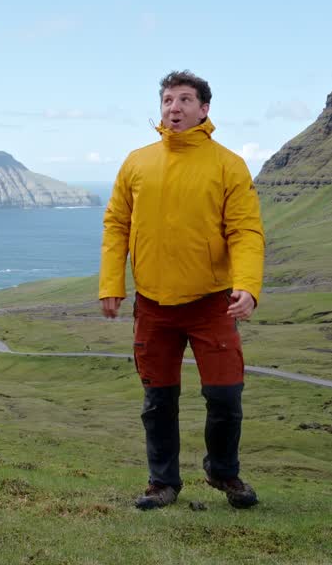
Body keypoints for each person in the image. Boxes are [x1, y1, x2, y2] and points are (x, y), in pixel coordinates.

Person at [99, 70, 265, 510]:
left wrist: (247, 286)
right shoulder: (137, 162)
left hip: (212, 303)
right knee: (158, 400)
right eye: (168, 100)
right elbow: (116, 225)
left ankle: (223, 471)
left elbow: (246, 231)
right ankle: (162, 483)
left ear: (204, 108)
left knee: (226, 396)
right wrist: (112, 284)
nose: (174, 108)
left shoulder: (229, 164)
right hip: (152, 304)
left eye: (185, 100)